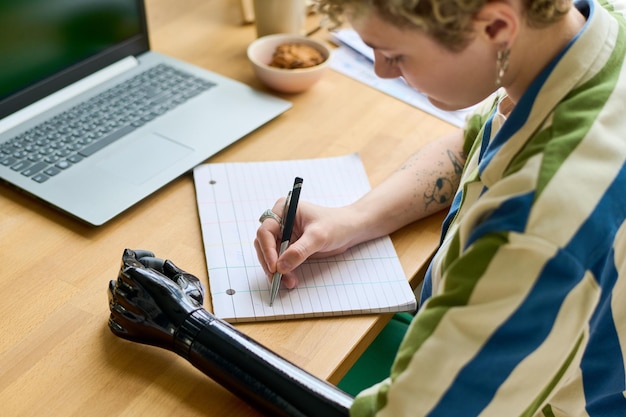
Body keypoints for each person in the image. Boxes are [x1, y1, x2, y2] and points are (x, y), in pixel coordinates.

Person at [108, 0, 626, 415]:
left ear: (495, 26)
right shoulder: (584, 33)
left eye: (395, 55)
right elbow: (475, 143)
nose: (380, 70)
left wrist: (187, 326)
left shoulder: (537, 228)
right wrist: (351, 219)